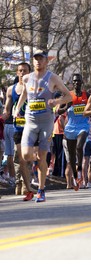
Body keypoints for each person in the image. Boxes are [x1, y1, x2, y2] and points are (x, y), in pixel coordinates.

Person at [13, 50, 72, 202]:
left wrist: (56, 102)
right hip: (30, 121)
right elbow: (25, 94)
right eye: (36, 59)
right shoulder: (27, 78)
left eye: (41, 59)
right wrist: (17, 109)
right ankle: (36, 165)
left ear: (46, 61)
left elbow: (68, 96)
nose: (38, 62)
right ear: (33, 62)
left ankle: (41, 189)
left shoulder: (52, 78)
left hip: (46, 122)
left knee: (42, 156)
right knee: (25, 155)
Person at [3, 62, 35, 200]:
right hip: (17, 127)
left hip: (32, 127)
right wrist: (5, 114)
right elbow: (7, 109)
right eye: (20, 71)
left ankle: (24, 183)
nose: (22, 73)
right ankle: (20, 183)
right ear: (17, 73)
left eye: (25, 71)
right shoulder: (11, 89)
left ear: (30, 72)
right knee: (19, 157)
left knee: (29, 158)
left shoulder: (34, 87)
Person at [57, 73, 90, 190]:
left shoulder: (87, 95)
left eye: (79, 81)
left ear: (82, 82)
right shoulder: (67, 95)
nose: (77, 83)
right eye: (75, 81)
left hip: (83, 126)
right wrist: (66, 107)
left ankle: (79, 169)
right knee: (71, 157)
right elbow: (58, 111)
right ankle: (76, 178)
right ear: (72, 83)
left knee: (79, 147)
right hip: (70, 126)